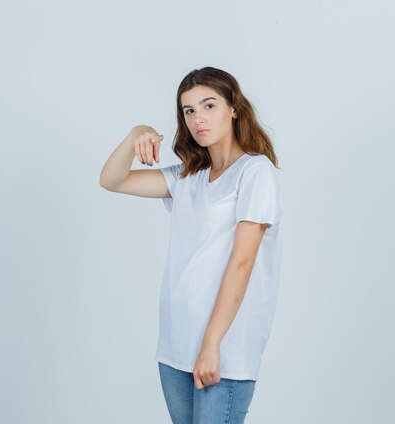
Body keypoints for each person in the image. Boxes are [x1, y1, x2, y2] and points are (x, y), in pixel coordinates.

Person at [99, 66, 285, 423]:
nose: (198, 118)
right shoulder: (187, 177)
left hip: (222, 350)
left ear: (234, 109)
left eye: (209, 105)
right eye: (189, 111)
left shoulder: (255, 172)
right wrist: (134, 134)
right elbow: (111, 180)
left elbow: (242, 263)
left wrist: (212, 344)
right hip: (175, 348)